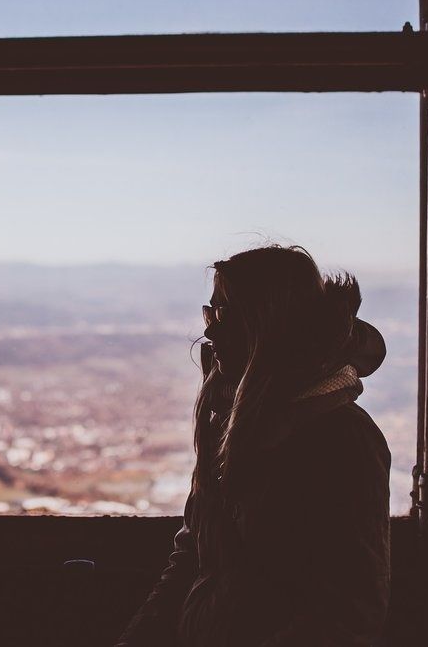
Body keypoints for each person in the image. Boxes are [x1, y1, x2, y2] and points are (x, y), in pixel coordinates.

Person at [117, 245, 391, 647]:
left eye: (223, 314)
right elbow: (194, 555)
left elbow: (348, 614)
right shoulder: (228, 422)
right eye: (209, 313)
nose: (209, 330)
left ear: (266, 321)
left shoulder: (343, 439)